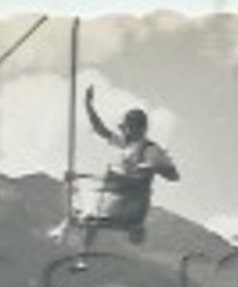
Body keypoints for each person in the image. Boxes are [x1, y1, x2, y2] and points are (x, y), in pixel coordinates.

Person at [74, 86, 180, 247]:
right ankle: (85, 246)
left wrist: (153, 167)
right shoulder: (126, 144)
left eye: (128, 128)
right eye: (125, 128)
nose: (125, 132)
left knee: (103, 192)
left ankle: (115, 223)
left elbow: (174, 176)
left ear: (140, 129)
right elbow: (101, 130)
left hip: (133, 201)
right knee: (91, 203)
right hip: (118, 196)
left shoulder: (151, 150)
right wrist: (88, 105)